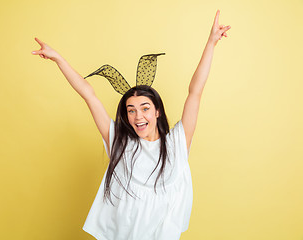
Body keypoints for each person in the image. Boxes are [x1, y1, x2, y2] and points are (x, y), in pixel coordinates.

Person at [32, 10, 230, 240]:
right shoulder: (119, 142)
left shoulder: (177, 142)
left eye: (145, 108)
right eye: (131, 110)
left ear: (157, 111)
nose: (138, 116)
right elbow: (89, 95)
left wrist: (211, 43)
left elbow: (195, 92)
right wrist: (59, 59)